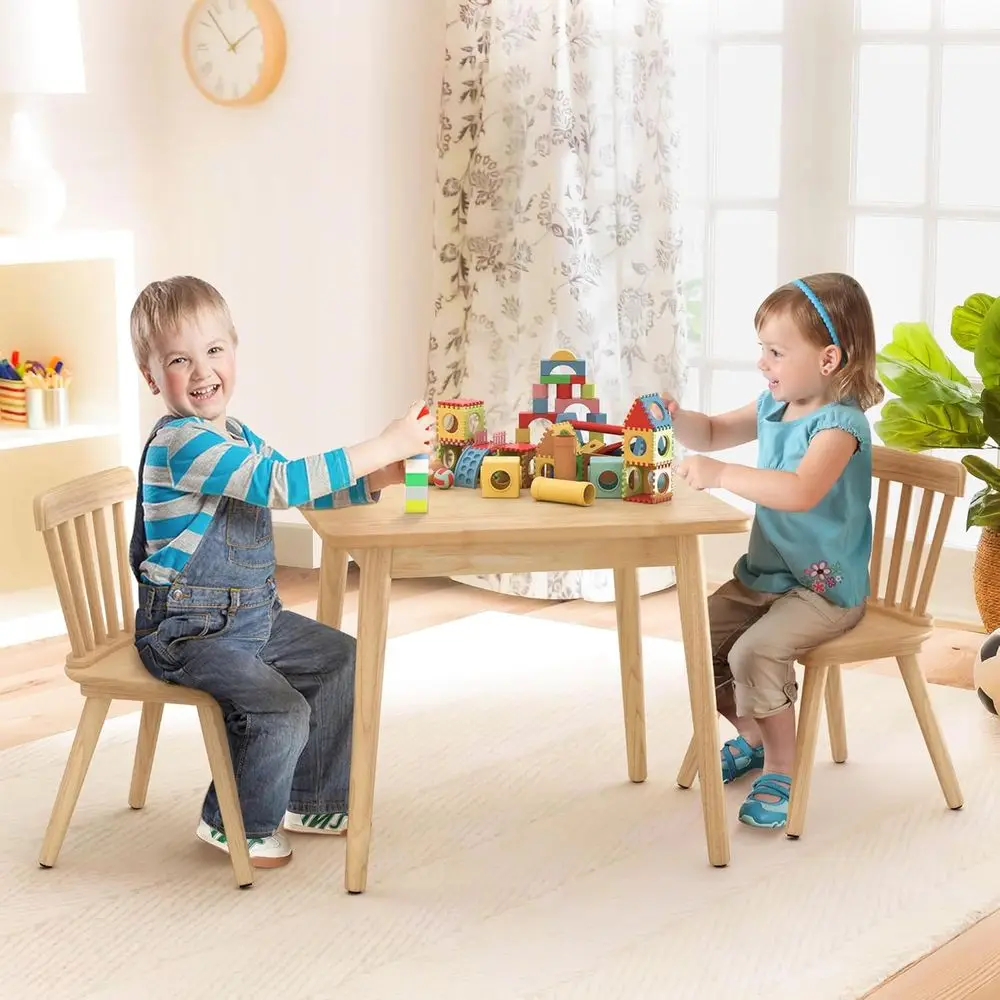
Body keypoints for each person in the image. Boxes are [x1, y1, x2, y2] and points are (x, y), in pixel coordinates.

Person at [128, 276, 433, 867]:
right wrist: (382, 442)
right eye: (178, 360)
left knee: (341, 658)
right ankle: (235, 821)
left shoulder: (236, 436)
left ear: (234, 352)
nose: (201, 371)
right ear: (151, 378)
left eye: (214, 351)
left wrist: (378, 480)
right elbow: (280, 484)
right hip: (189, 634)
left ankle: (311, 795)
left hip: (253, 618)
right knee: (280, 709)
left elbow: (305, 493)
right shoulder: (180, 445)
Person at [669, 273, 884, 829]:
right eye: (762, 350)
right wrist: (675, 417)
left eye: (776, 352)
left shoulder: (840, 426)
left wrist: (721, 475)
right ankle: (753, 736)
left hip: (824, 589)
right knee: (700, 635)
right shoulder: (774, 402)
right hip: (765, 577)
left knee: (753, 653)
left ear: (829, 358)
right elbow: (713, 431)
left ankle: (783, 772)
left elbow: (798, 491)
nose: (764, 364)